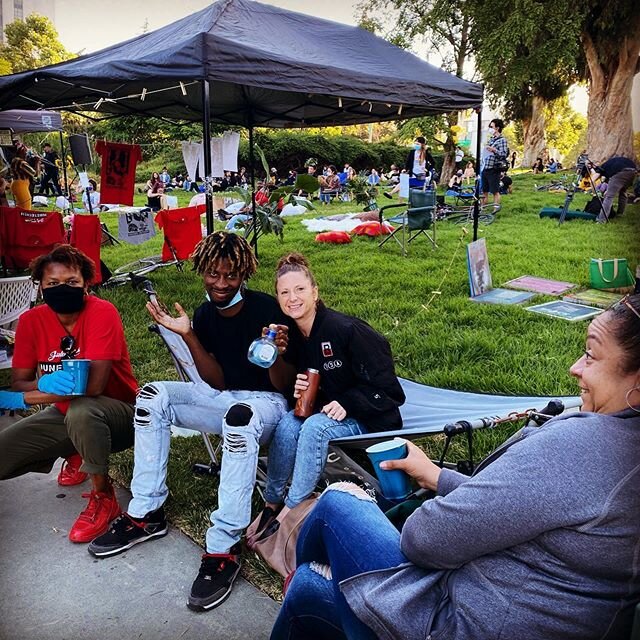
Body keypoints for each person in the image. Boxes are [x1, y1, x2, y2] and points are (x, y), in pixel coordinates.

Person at [271, 293, 640, 640]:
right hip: (528, 610)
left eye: (591, 355)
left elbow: (424, 540)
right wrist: (436, 476)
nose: (576, 367)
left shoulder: (579, 448)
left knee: (337, 501)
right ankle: (329, 581)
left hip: (459, 622)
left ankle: (330, 569)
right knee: (305, 590)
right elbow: (523, 506)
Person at [88, 232, 296, 612]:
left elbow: (283, 386)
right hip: (223, 396)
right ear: (202, 270)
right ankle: (147, 512)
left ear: (244, 274)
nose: (220, 283)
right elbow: (215, 381)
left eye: (230, 276)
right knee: (153, 395)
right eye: (213, 274)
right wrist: (188, 336)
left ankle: (224, 544)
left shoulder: (268, 309)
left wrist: (278, 354)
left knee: (239, 415)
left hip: (267, 404)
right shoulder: (203, 314)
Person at [248, 253, 405, 547]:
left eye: (300, 290)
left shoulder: (346, 330)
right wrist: (301, 389)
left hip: (372, 414)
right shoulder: (294, 334)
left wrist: (348, 402)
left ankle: (292, 510)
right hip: (331, 411)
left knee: (314, 428)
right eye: (284, 292)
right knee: (288, 422)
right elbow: (309, 383)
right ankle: (271, 503)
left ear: (315, 292)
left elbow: (391, 392)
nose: (292, 298)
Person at [0, 245, 137, 543]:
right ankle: (74, 450)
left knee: (82, 410)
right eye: (52, 283)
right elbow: (19, 381)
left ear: (86, 283)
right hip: (63, 412)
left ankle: (104, 497)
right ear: (40, 286)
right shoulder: (31, 321)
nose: (62, 288)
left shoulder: (102, 312)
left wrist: (23, 398)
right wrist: (39, 387)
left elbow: (93, 388)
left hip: (122, 416)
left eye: (72, 282)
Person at [590, 156, 637, 222]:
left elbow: (592, 180)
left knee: (609, 196)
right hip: (633, 171)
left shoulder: (601, 168)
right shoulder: (610, 165)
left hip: (621, 172)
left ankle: (601, 220)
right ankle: (620, 214)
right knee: (623, 192)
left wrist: (595, 193)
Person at [481, 118, 508, 206]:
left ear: (497, 128)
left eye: (491, 126)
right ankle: (482, 208)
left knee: (494, 191)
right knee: (484, 190)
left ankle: (496, 207)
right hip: (485, 167)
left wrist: (494, 150)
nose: (490, 128)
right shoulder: (491, 140)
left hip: (494, 169)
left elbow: (504, 154)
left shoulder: (502, 140)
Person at [9, 143, 37, 209]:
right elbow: (34, 174)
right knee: (26, 207)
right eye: (25, 151)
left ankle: (18, 219)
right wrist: (37, 162)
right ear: (20, 151)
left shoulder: (14, 160)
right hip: (21, 186)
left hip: (16, 184)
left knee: (20, 207)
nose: (26, 153)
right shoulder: (21, 162)